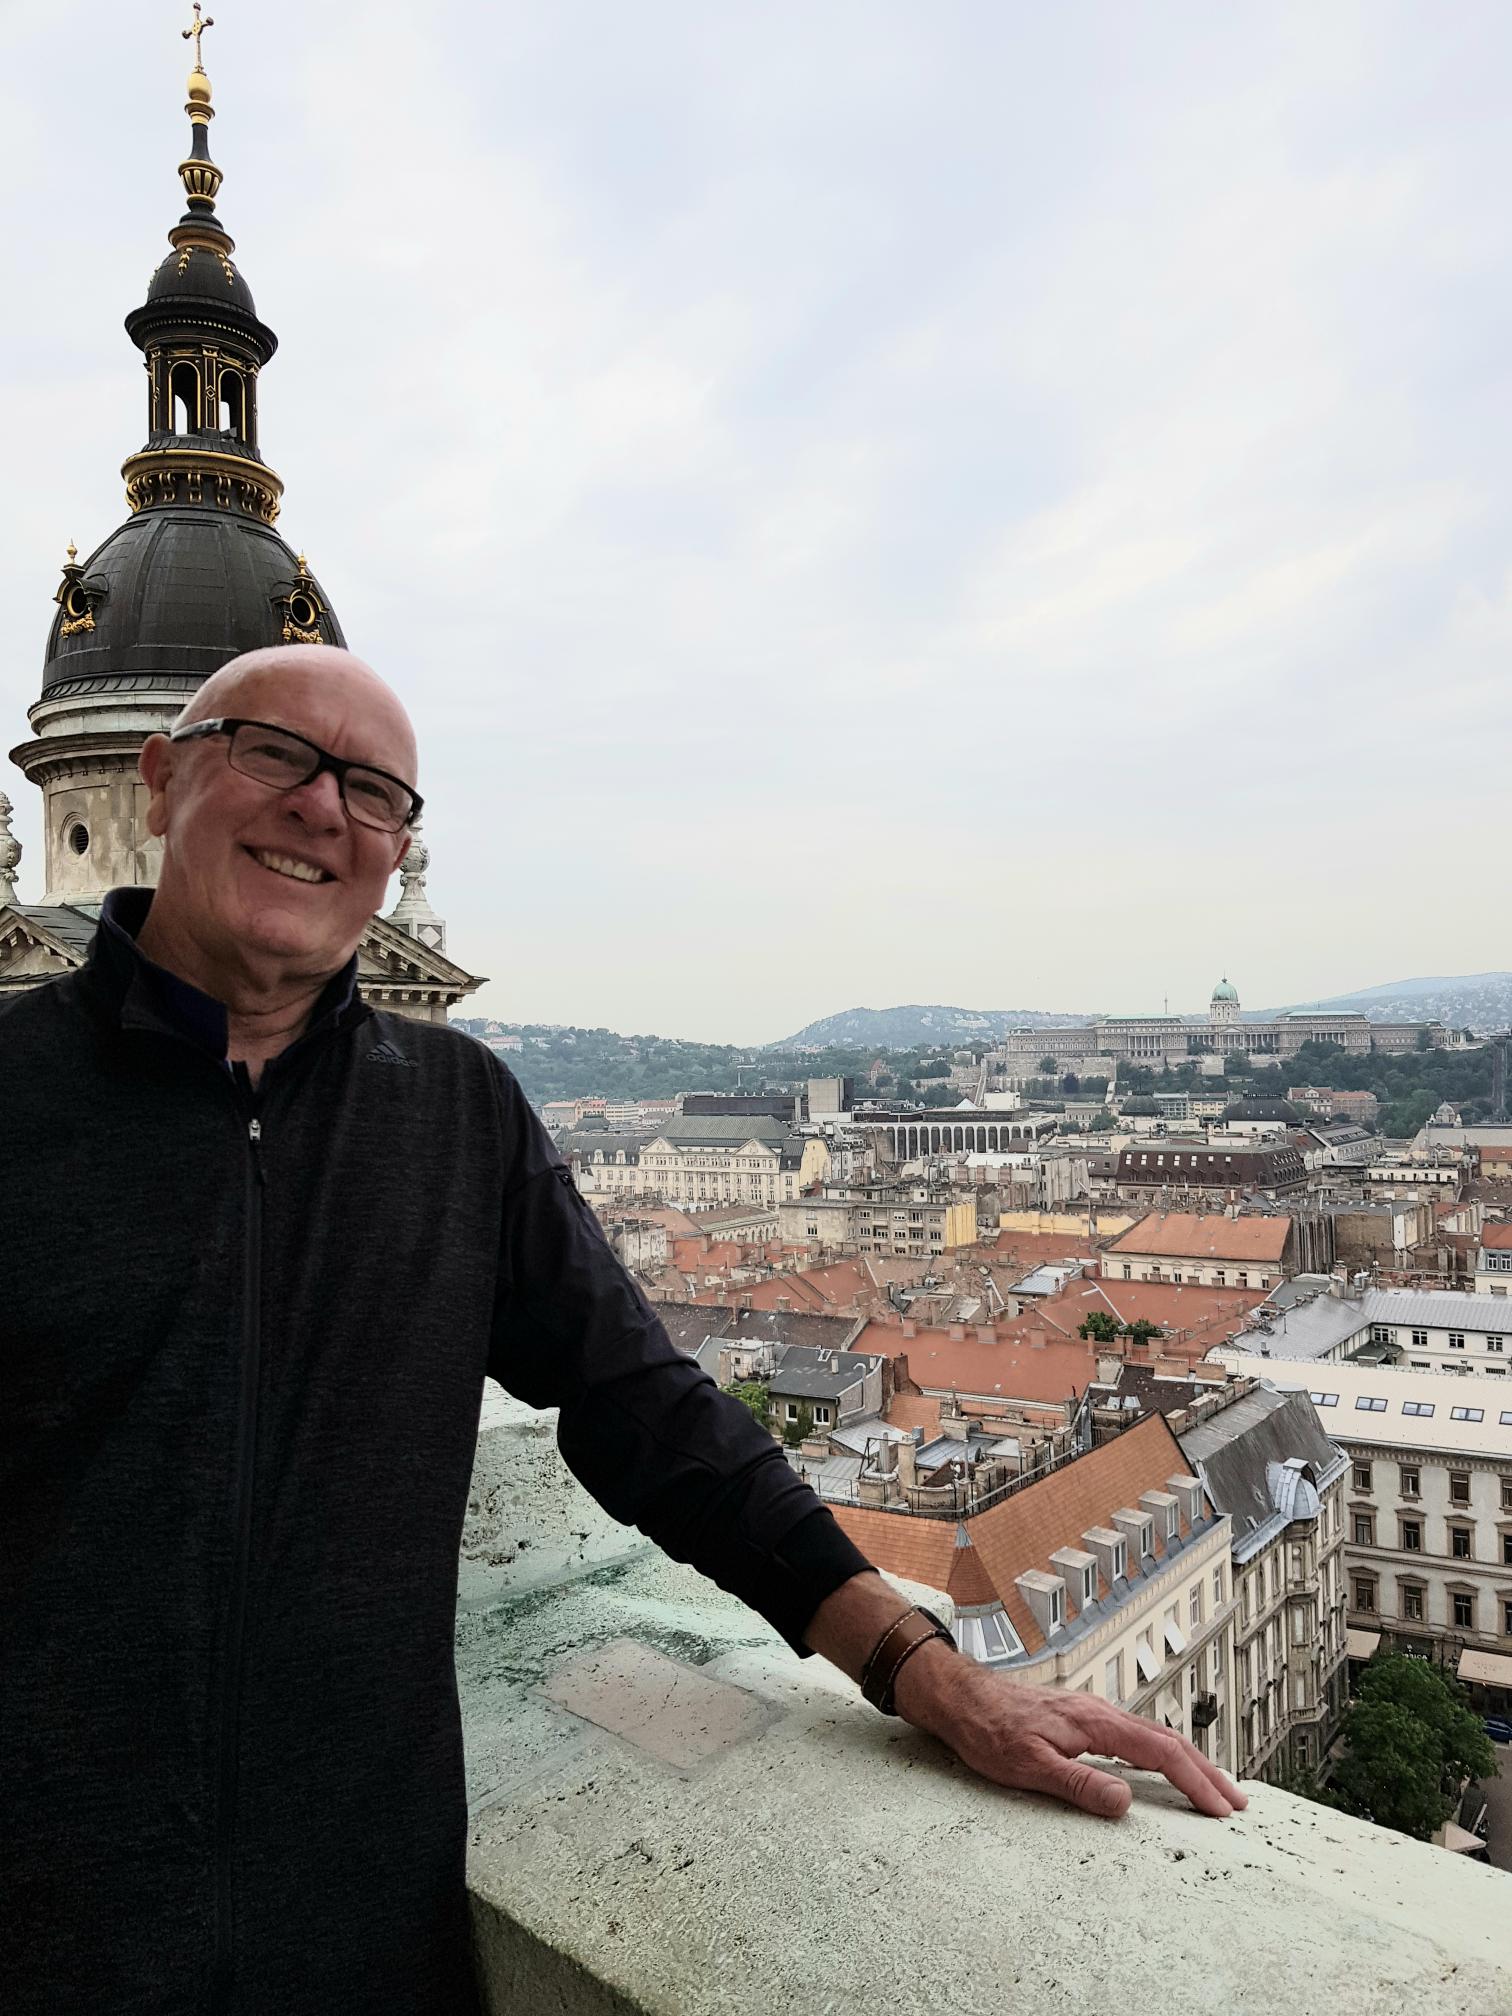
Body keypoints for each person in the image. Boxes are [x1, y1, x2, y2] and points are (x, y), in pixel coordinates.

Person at [1, 645, 1244, 2014]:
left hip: (358, 1934)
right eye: (276, 754)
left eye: (374, 793)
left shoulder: (456, 1115)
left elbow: (651, 1416)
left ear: (397, 850)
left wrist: (920, 1667)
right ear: (162, 777)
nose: (323, 811)